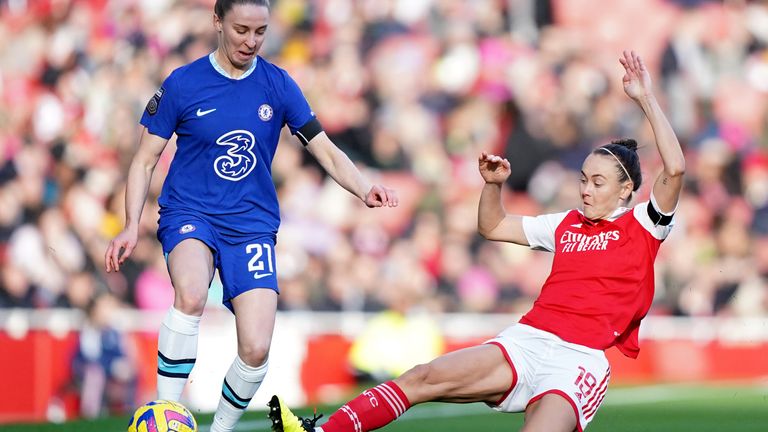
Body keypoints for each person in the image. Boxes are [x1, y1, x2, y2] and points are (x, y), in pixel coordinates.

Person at [267, 50, 684, 432]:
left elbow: (676, 169)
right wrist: (492, 186)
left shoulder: (645, 224)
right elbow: (494, 227)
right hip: (528, 339)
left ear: (626, 190)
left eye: (597, 183)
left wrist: (645, 99)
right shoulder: (567, 224)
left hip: (578, 361)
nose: (586, 191)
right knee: (421, 378)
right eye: (583, 180)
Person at [104, 1, 398, 431]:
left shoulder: (277, 85)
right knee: (190, 294)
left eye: (260, 31)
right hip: (191, 212)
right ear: (218, 22)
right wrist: (131, 225)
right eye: (242, 29)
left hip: (251, 224)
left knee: (257, 347)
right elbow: (144, 160)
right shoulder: (184, 84)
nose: (251, 41)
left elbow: (326, 151)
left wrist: (362, 187)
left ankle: (220, 429)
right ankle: (165, 414)